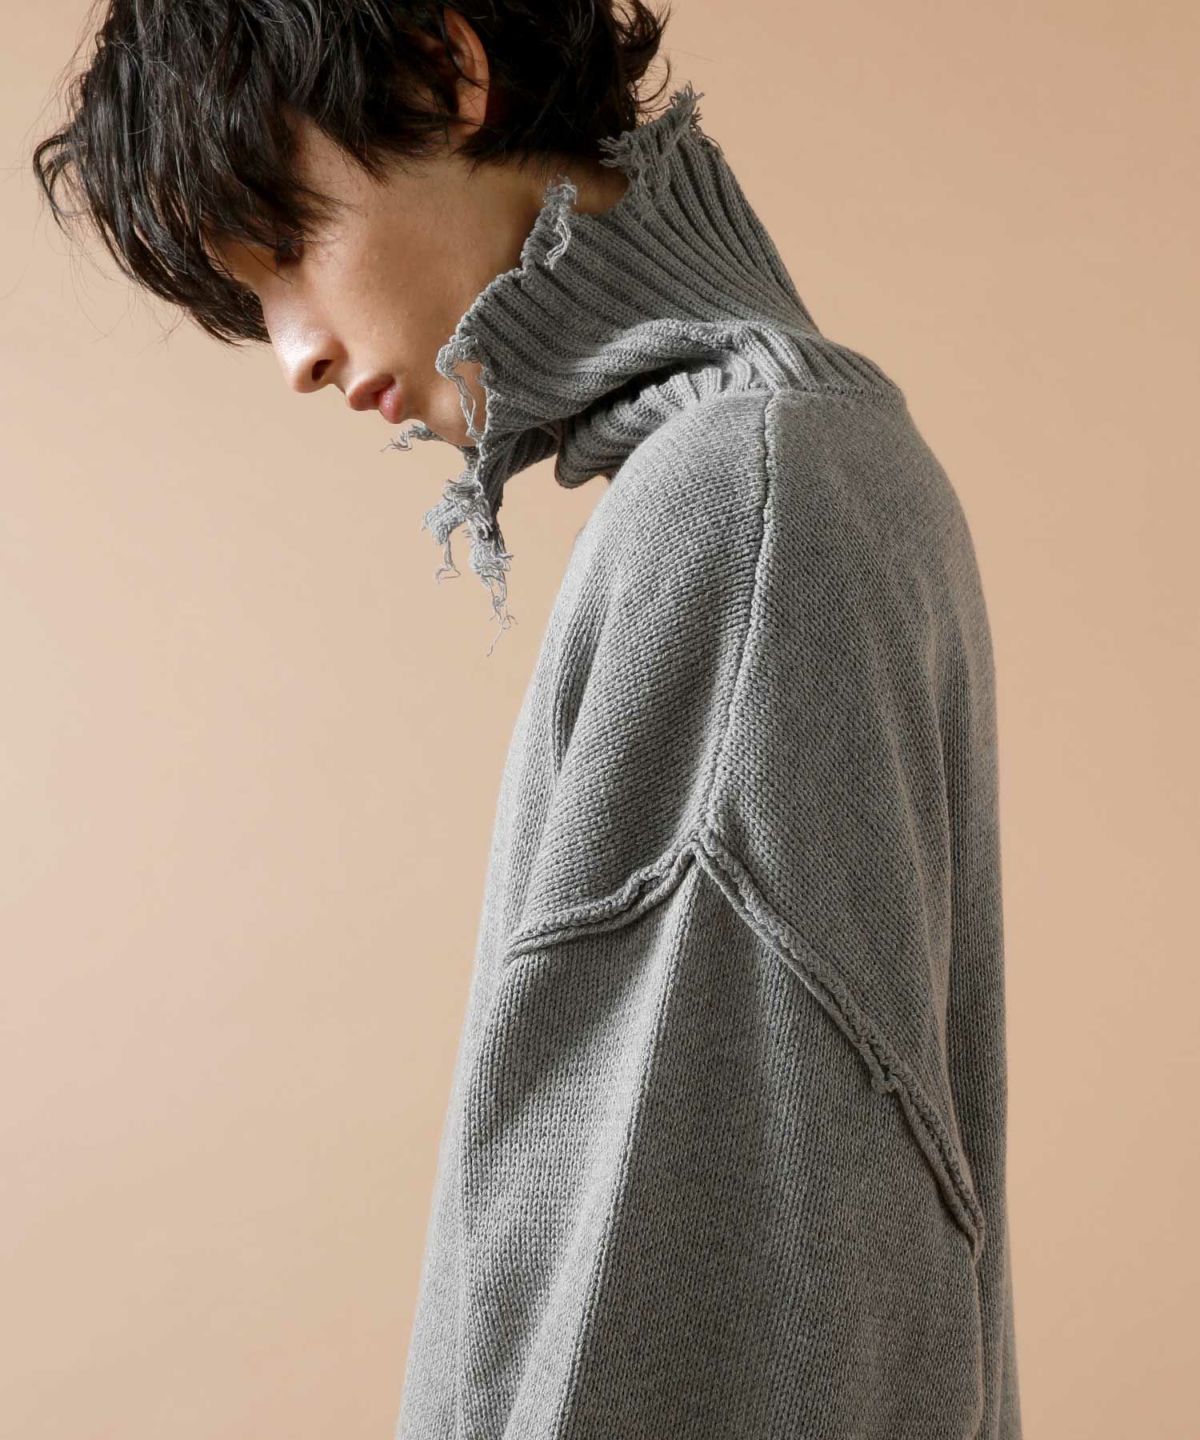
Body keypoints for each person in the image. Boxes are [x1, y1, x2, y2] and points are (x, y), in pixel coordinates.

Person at [33, 3, 1023, 1436]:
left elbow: (672, 1301)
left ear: (444, 73)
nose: (292, 354)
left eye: (286, 247)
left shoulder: (743, 507)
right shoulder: (817, 463)